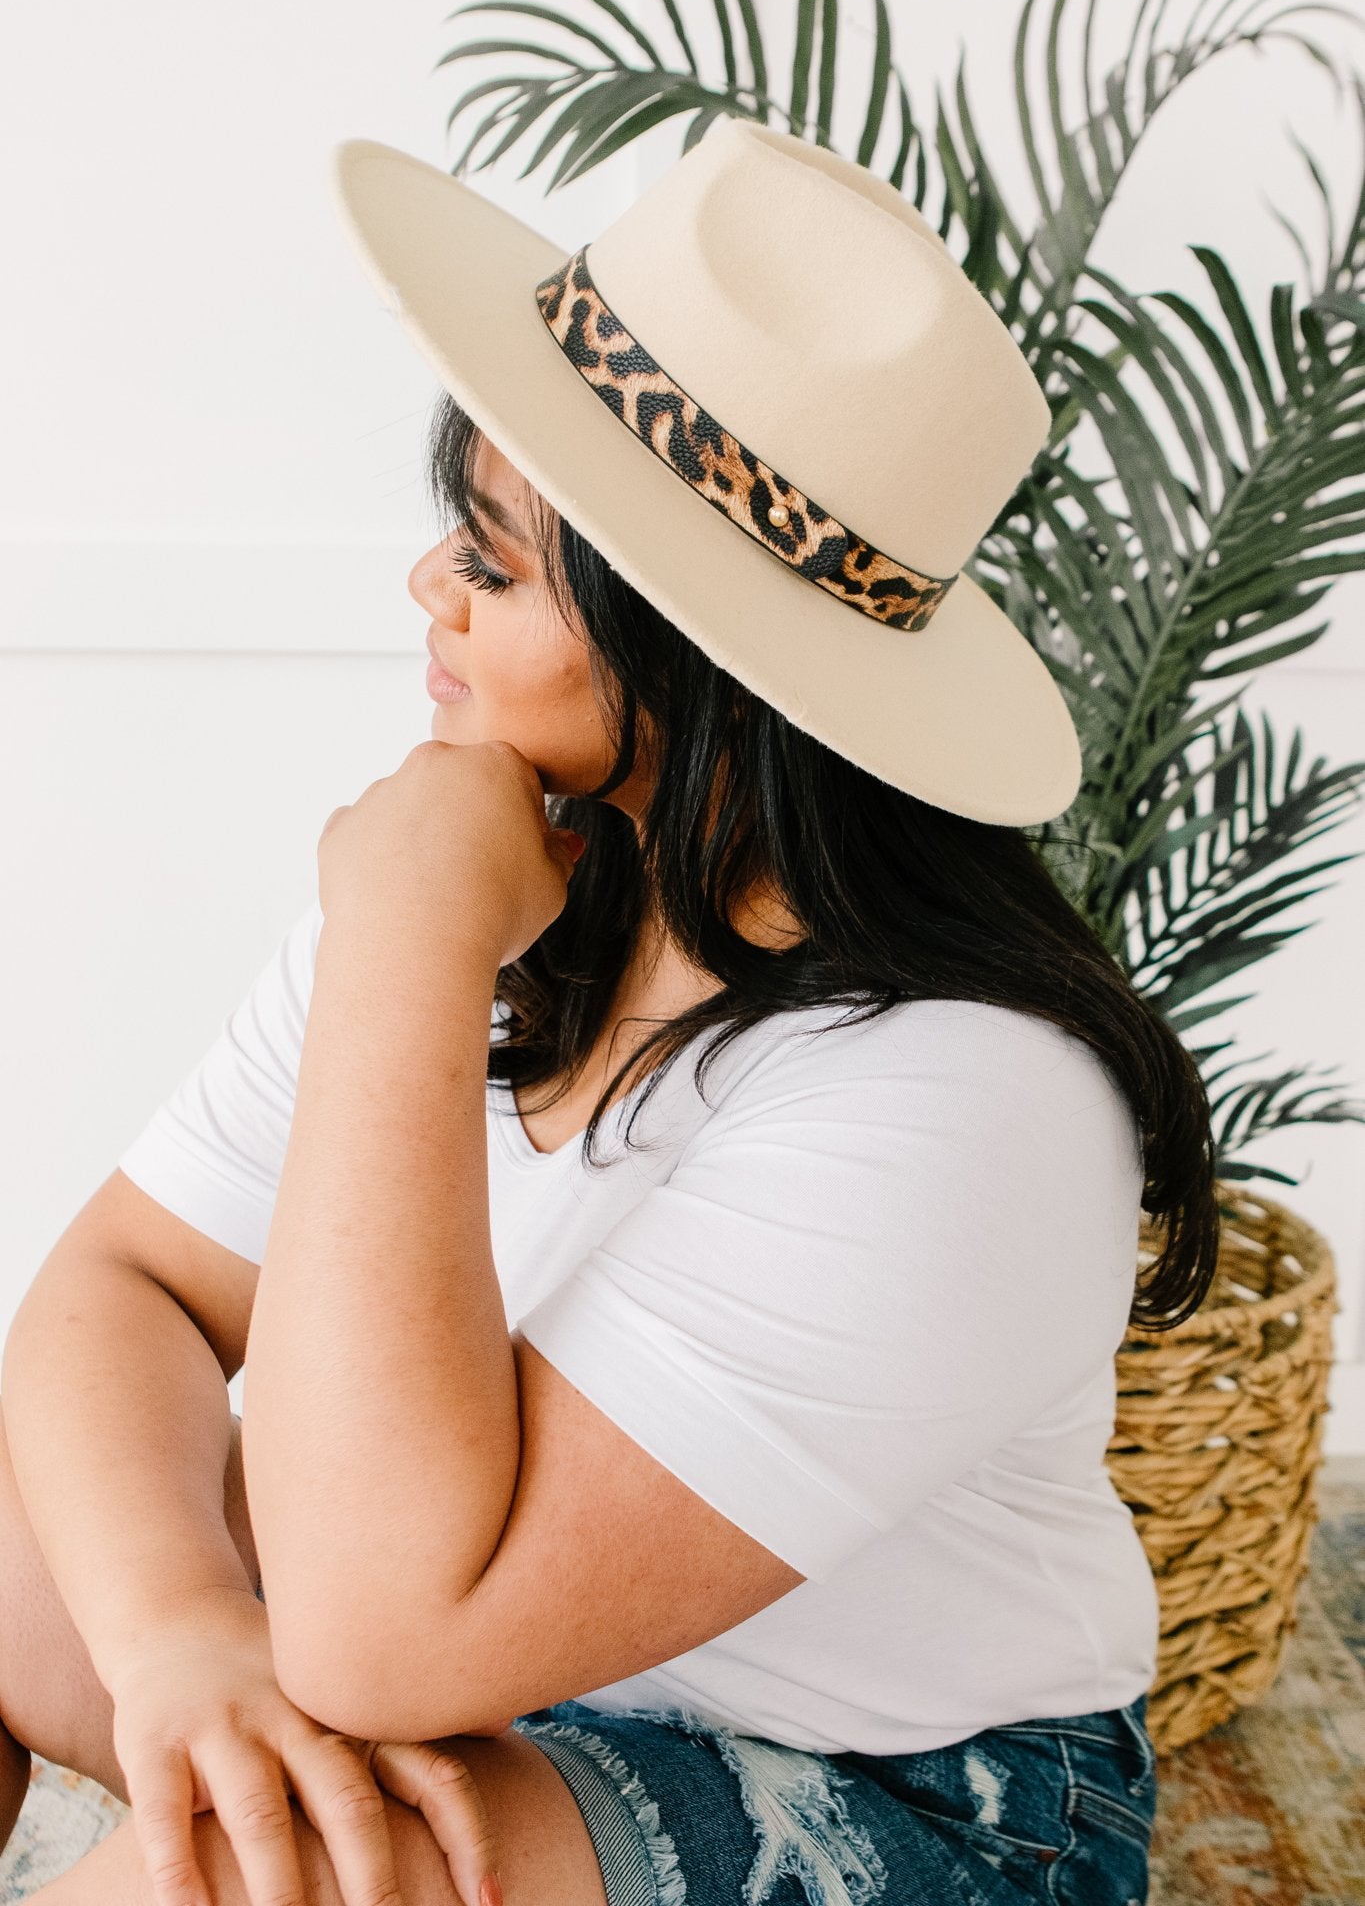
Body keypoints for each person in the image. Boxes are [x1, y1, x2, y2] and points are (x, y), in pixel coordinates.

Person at [0, 118, 1219, 1906]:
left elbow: (379, 1645)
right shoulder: (511, 872)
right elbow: (123, 1290)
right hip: (472, 1644)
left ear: (688, 649)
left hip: (899, 1786)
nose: (430, 590)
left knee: (238, 1881)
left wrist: (405, 950)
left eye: (490, 565)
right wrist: (182, 1634)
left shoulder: (961, 1096)